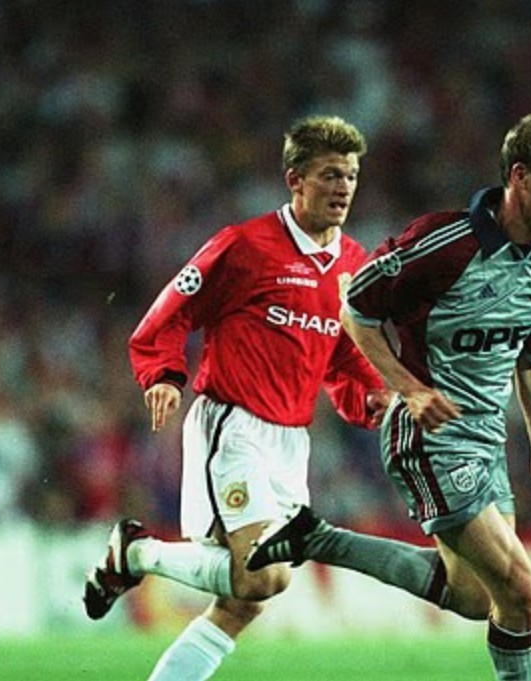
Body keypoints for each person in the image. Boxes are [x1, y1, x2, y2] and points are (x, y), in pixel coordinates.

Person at [247, 112, 531, 681]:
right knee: (520, 590)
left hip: (485, 441)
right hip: (429, 436)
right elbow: (355, 310)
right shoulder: (445, 245)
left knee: (476, 596)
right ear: (521, 176)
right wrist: (410, 391)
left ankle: (317, 538)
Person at [83, 115, 388, 680]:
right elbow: (174, 309)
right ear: (295, 180)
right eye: (329, 174)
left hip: (291, 441)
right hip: (235, 425)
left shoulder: (353, 264)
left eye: (350, 175)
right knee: (264, 575)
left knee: (244, 601)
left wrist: (370, 396)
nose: (343, 187)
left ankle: (135, 570)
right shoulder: (245, 246)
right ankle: (136, 553)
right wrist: (164, 374)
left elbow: (345, 353)